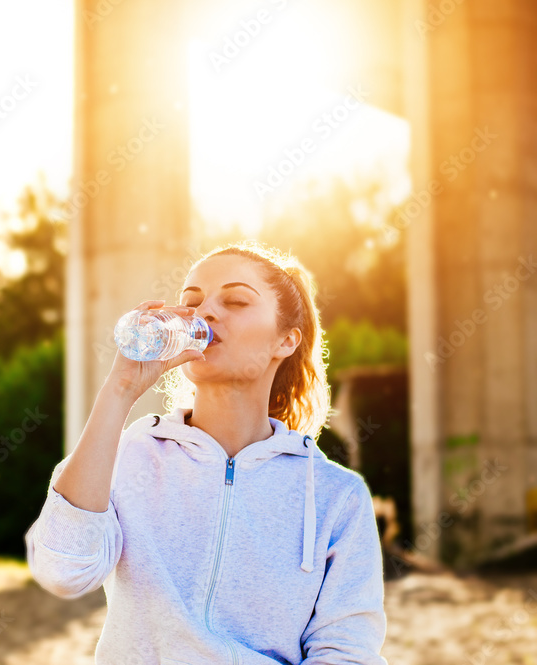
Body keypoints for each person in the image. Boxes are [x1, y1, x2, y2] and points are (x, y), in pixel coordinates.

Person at [24, 242, 388, 664]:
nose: (206, 313)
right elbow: (62, 570)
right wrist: (120, 391)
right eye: (192, 302)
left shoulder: (335, 495)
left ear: (286, 341)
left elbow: (347, 653)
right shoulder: (132, 458)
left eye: (235, 300)